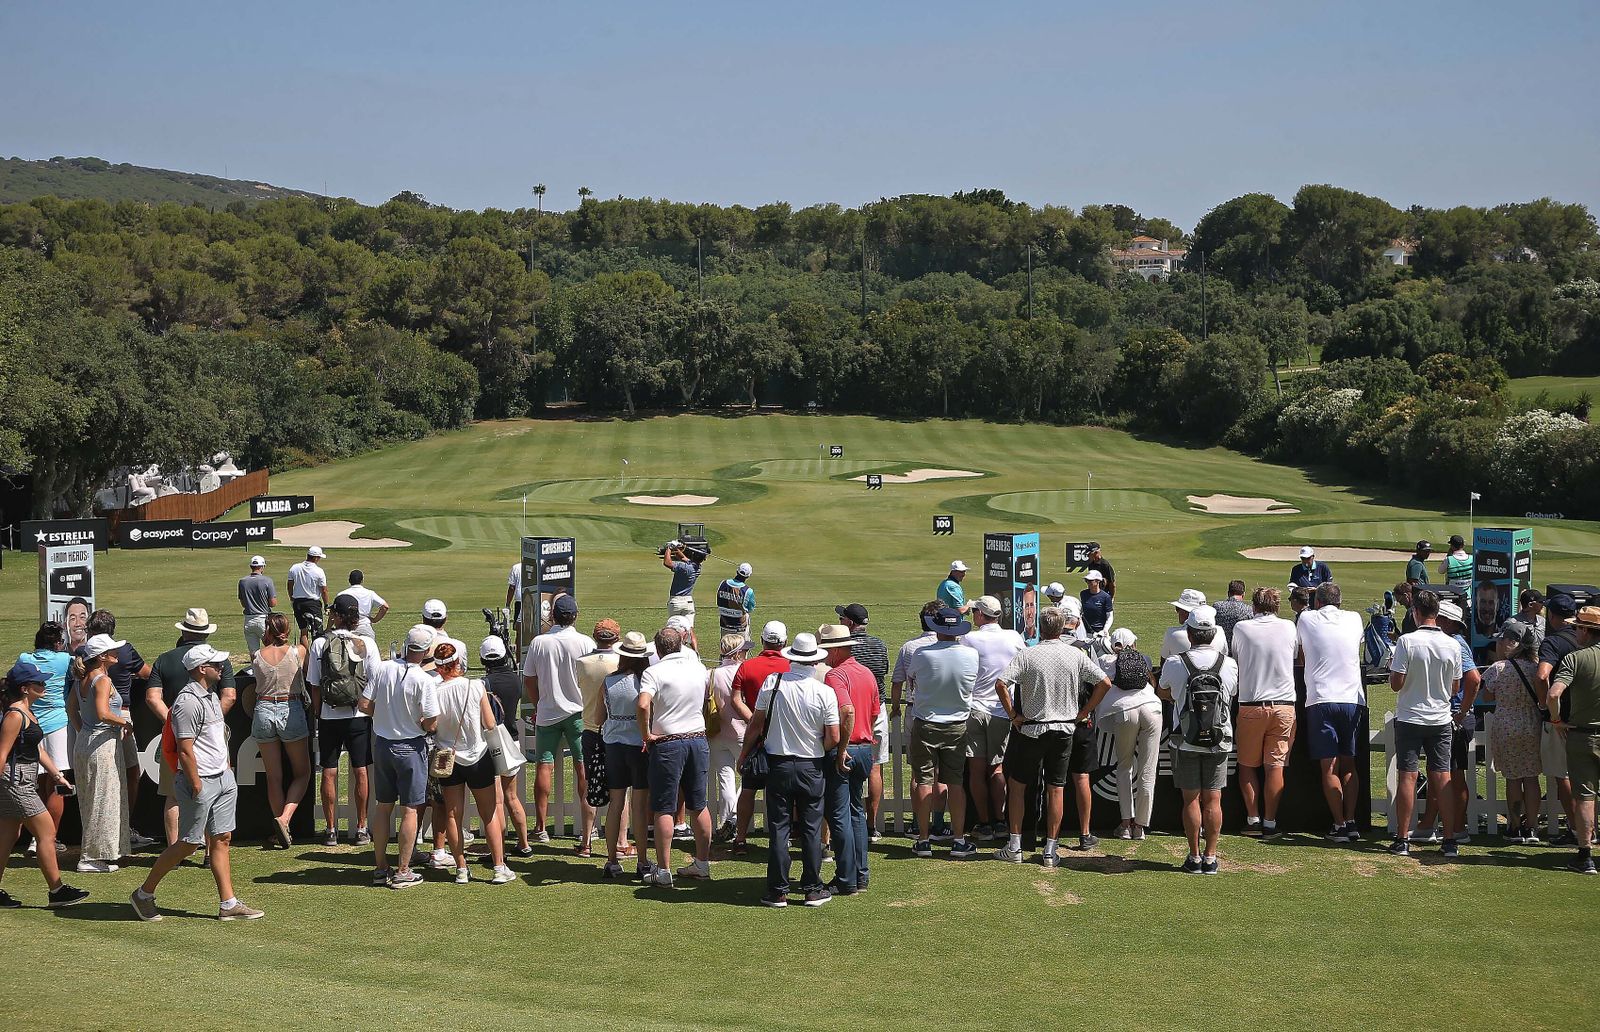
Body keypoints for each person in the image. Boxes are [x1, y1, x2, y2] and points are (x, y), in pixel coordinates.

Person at [130, 644, 263, 921]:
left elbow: (214, 739)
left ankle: (228, 903)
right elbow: (185, 748)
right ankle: (143, 893)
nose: (222, 667)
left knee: (222, 838)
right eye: (216, 663)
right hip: (200, 780)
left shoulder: (210, 696)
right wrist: (196, 783)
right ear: (202, 669)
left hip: (222, 778)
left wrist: (225, 770)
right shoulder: (187, 702)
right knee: (189, 843)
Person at [993, 608, 1112, 865]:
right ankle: (1050, 850)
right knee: (1055, 789)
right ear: (1062, 628)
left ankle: (1015, 845)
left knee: (1018, 786)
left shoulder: (1028, 654)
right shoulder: (1075, 655)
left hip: (1033, 729)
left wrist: (1014, 714)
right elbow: (1104, 682)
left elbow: (1001, 684)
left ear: (1041, 627)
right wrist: (1083, 712)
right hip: (1064, 729)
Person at [741, 632, 839, 907]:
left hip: (778, 764)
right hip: (811, 765)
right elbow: (832, 736)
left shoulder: (774, 683)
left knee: (779, 828)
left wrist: (745, 753)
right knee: (810, 828)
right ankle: (811, 887)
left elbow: (756, 724)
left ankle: (777, 889)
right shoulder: (824, 691)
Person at [1156, 606, 1239, 875]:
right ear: (1213, 633)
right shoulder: (1228, 664)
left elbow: (1163, 691)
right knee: (1213, 799)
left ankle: (1193, 856)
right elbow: (1232, 694)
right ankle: (1211, 856)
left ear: (1189, 634)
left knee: (1190, 800)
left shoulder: (1175, 662)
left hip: (1185, 739)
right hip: (1219, 738)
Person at [0, 661, 88, 909]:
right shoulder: (15, 715)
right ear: (26, 688)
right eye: (39, 683)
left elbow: (36, 750)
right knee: (47, 833)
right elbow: (2, 754)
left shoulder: (27, 711)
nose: (44, 685)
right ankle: (57, 890)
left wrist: (57, 775)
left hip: (22, 778)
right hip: (15, 781)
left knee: (8, 836)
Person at [147, 608, 238, 848]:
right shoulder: (218, 662)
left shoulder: (165, 658)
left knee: (173, 795)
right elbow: (229, 696)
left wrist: (175, 722)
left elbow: (152, 697)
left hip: (175, 737)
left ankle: (175, 849)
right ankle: (209, 851)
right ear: (206, 634)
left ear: (184, 631)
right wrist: (208, 720)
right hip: (211, 735)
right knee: (212, 792)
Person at [360, 624, 440, 889]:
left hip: (382, 744)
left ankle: (381, 866)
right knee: (410, 808)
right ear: (427, 650)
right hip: (410, 746)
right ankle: (402, 870)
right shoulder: (424, 680)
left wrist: (384, 717)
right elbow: (430, 722)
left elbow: (364, 705)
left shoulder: (383, 669)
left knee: (384, 807)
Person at [1387, 590, 1464, 858]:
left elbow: (1396, 684)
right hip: (1440, 718)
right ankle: (1450, 839)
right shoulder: (1453, 644)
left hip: (1411, 716)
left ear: (1416, 612)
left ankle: (1402, 838)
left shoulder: (1407, 642)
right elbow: (1455, 688)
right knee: (1442, 776)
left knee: (1408, 776)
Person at [636, 625, 713, 888]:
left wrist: (646, 734)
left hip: (668, 742)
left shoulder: (654, 672)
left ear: (658, 649)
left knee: (664, 807)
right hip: (697, 738)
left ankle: (665, 869)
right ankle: (702, 864)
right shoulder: (698, 668)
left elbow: (643, 704)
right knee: (698, 804)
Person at [430, 641, 512, 885]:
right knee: (489, 814)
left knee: (453, 815)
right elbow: (489, 723)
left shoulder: (435, 691)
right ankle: (499, 866)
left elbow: (431, 725)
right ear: (458, 663)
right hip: (477, 755)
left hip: (449, 758)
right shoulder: (475, 686)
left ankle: (461, 869)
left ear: (439, 667)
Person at [522, 594, 597, 849]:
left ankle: (541, 828)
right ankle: (588, 828)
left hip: (548, 712)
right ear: (574, 616)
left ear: (553, 615)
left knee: (545, 766)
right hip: (577, 712)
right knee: (581, 766)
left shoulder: (539, 643)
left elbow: (529, 679)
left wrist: (539, 701)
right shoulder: (585, 642)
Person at [907, 606, 979, 859]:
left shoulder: (922, 653)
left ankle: (924, 839)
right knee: (955, 783)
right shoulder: (971, 655)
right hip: (956, 724)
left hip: (927, 722)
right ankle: (958, 840)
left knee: (925, 780)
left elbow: (912, 678)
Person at [1298, 581, 1366, 842]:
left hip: (1322, 698)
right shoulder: (1354, 618)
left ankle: (1340, 824)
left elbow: (1301, 652)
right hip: (1351, 699)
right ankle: (1350, 822)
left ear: (1317, 602)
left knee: (1330, 767)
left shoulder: (1306, 618)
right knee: (1349, 764)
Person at [307, 596, 376, 847]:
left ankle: (330, 829)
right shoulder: (366, 643)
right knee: (360, 770)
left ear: (335, 615)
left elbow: (314, 684)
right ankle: (361, 827)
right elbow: (374, 680)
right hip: (359, 715)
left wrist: (318, 712)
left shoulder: (320, 643)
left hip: (329, 714)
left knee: (329, 770)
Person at [81, 610, 153, 847]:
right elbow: (147, 674)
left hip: (89, 721)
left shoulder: (81, 655)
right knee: (128, 774)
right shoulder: (121, 653)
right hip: (118, 715)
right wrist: (125, 723)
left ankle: (117, 830)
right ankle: (121, 829)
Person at [1231, 587, 1298, 838]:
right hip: (1283, 706)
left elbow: (1236, 656)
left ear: (1254, 607)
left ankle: (1253, 819)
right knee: (1275, 766)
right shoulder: (1289, 627)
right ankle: (1269, 822)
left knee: (1247, 766)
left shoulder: (1242, 628)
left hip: (1251, 704)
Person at [820, 624, 879, 895]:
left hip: (847, 749)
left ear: (837, 648)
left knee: (839, 814)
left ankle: (846, 878)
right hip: (865, 748)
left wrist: (842, 747)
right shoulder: (866, 673)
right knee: (856, 812)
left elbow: (846, 711)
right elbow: (874, 713)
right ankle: (860, 875)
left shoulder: (835, 675)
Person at [963, 595, 1025, 842]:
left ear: (980, 614)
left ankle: (985, 823)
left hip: (976, 709)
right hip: (1002, 710)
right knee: (996, 768)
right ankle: (999, 822)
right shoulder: (1014, 637)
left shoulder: (970, 638)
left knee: (977, 769)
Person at [725, 621, 790, 853]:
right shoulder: (789, 665)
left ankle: (740, 838)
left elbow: (735, 699)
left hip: (756, 739)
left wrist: (754, 721)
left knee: (749, 788)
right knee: (782, 792)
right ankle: (782, 837)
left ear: (763, 640)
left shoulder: (748, 666)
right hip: (783, 737)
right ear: (784, 642)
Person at [247, 613, 311, 849]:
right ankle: (284, 819)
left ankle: (282, 825)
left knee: (274, 777)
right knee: (302, 773)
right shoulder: (297, 652)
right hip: (290, 707)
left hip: (263, 707)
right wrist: (304, 635)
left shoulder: (256, 656)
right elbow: (308, 663)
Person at [71, 634, 132, 873]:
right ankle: (90, 857)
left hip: (87, 742)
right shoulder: (102, 680)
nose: (117, 653)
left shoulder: (81, 679)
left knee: (93, 799)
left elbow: (72, 710)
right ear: (103, 657)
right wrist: (124, 723)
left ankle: (97, 853)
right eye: (113, 650)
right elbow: (102, 713)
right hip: (101, 745)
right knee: (102, 798)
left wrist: (83, 732)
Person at [1481, 619, 1546, 843]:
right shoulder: (1536, 667)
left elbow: (1487, 696)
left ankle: (1515, 825)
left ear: (1512, 643)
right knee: (1531, 777)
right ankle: (1533, 826)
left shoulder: (1498, 669)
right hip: (1531, 724)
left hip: (1506, 724)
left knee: (1512, 778)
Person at [1422, 600, 1481, 844]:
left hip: (1456, 714)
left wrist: (1462, 710)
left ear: (1446, 622)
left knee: (1454, 774)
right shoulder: (1454, 642)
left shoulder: (1456, 644)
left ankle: (1458, 827)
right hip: (1452, 713)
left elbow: (1474, 678)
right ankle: (1435, 824)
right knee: (1442, 772)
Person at [1547, 605, 1600, 874]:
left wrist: (1556, 721)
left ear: (1585, 630)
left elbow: (1554, 694)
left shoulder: (1576, 659)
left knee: (1585, 796)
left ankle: (1585, 854)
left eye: (1577, 626)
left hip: (1583, 734)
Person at [601, 633, 655, 881]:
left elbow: (602, 714)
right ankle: (642, 860)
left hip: (613, 744)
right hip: (638, 745)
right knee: (640, 806)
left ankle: (611, 859)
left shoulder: (609, 681)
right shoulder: (646, 681)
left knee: (616, 803)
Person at [890, 601, 946, 839]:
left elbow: (897, 682)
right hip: (945, 711)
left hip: (916, 711)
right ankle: (938, 823)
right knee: (940, 773)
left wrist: (895, 708)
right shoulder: (949, 645)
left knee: (918, 772)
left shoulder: (910, 647)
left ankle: (916, 822)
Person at [1097, 628, 1160, 839]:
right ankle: (1140, 827)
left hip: (1124, 711)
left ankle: (1125, 825)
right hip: (1152, 708)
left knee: (1124, 767)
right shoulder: (1145, 658)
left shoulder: (1105, 660)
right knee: (1147, 770)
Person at [835, 603, 889, 840]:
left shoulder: (846, 648)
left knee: (843, 766)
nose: (839, 622)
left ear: (850, 623)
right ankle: (870, 825)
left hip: (852, 709)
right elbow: (883, 671)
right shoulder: (879, 644)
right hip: (877, 709)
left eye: (842, 619)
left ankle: (850, 821)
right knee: (875, 767)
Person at [478, 635, 532, 858]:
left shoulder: (484, 683)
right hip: (512, 739)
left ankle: (498, 849)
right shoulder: (515, 680)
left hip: (492, 742)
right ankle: (524, 843)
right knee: (512, 797)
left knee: (498, 799)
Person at [18, 622, 71, 847]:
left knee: (38, 783)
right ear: (58, 643)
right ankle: (49, 838)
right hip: (58, 726)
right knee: (58, 782)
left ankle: (36, 839)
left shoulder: (24, 659)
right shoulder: (64, 659)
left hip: (32, 725)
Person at [574, 618, 623, 856]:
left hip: (590, 729)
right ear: (616, 637)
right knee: (619, 788)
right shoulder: (619, 662)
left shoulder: (581, 663)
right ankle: (621, 841)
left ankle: (587, 842)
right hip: (614, 730)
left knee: (591, 785)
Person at [1536, 593, 1580, 844]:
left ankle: (1577, 829)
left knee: (1561, 774)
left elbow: (1542, 676)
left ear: (1552, 616)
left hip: (1561, 716)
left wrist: (1546, 705)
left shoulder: (1553, 642)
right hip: (1588, 715)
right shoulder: (1588, 639)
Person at [708, 633, 751, 841]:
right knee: (749, 777)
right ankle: (732, 818)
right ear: (737, 652)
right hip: (742, 731)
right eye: (744, 650)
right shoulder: (744, 671)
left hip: (718, 732)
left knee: (725, 779)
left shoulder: (712, 674)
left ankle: (728, 821)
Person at [1162, 589, 1228, 659]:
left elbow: (1164, 660)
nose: (1177, 612)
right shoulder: (1220, 631)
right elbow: (1225, 655)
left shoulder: (1172, 634)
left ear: (1185, 612)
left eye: (1178, 608)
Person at [238, 555, 278, 656]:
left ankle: (256, 671)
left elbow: (243, 603)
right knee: (270, 650)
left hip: (248, 620)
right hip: (263, 619)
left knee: (254, 653)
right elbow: (273, 603)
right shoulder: (267, 580)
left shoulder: (242, 582)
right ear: (262, 567)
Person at [287, 546, 329, 633]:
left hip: (298, 603)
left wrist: (292, 599)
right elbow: (324, 590)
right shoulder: (319, 571)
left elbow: (290, 585)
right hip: (313, 604)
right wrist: (326, 605)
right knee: (317, 631)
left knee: (303, 631)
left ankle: (304, 647)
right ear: (316, 558)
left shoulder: (294, 568)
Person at [337, 570, 389, 638]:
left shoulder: (342, 594)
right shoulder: (370, 593)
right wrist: (374, 620)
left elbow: (334, 614)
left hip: (347, 628)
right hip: (365, 627)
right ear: (362, 580)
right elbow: (385, 607)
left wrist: (328, 628)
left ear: (349, 580)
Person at [662, 541, 704, 614]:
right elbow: (682, 557)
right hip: (688, 603)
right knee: (689, 625)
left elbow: (667, 563)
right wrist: (676, 548)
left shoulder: (683, 567)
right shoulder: (697, 567)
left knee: (674, 624)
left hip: (676, 602)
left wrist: (669, 548)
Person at [715, 563, 756, 634]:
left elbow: (719, 602)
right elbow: (750, 609)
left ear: (737, 571)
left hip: (724, 624)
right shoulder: (748, 591)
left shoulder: (723, 583)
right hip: (740, 627)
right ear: (748, 576)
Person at [1212, 580, 1252, 648]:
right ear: (1243, 594)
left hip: (1220, 650)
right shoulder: (1249, 610)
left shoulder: (1217, 606)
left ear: (1228, 593)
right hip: (1240, 651)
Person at [1079, 571, 1113, 636]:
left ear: (1098, 581)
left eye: (1090, 581)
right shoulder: (1083, 594)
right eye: (1086, 580)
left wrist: (1105, 630)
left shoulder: (1106, 597)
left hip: (1099, 632)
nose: (1088, 583)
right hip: (1085, 631)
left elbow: (1110, 616)